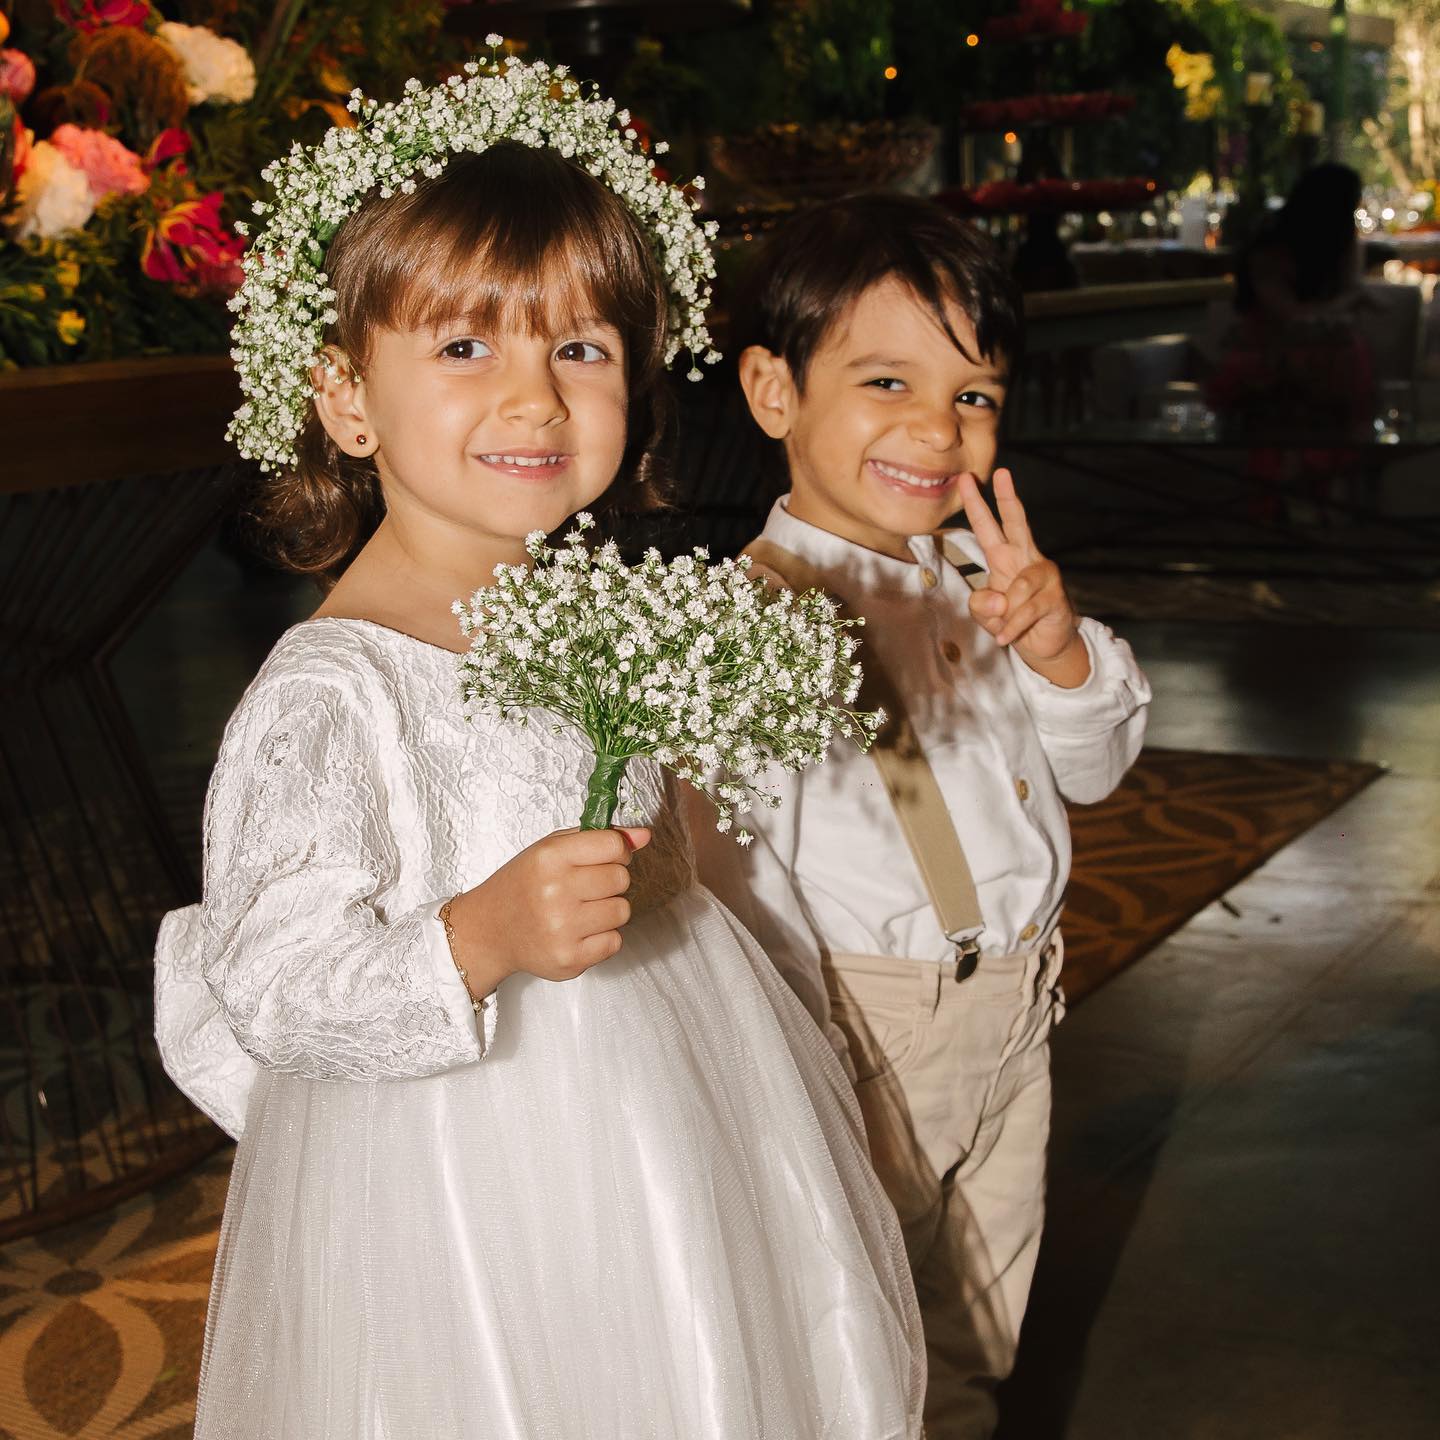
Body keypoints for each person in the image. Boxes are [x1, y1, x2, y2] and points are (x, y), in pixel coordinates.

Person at [152, 61, 922, 1439]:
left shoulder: (588, 616)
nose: (533, 399)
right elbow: (270, 981)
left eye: (580, 350)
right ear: (343, 399)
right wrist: (477, 936)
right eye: (464, 349)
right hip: (450, 1181)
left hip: (660, 1118)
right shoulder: (332, 688)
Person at [690, 194, 1151, 1439]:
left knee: (977, 1329)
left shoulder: (984, 581)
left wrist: (1058, 657)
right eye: (885, 379)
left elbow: (1098, 769)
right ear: (773, 391)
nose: (936, 430)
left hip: (1016, 1015)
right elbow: (728, 891)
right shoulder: (745, 633)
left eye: (974, 394)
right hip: (866, 1029)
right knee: (851, 1330)